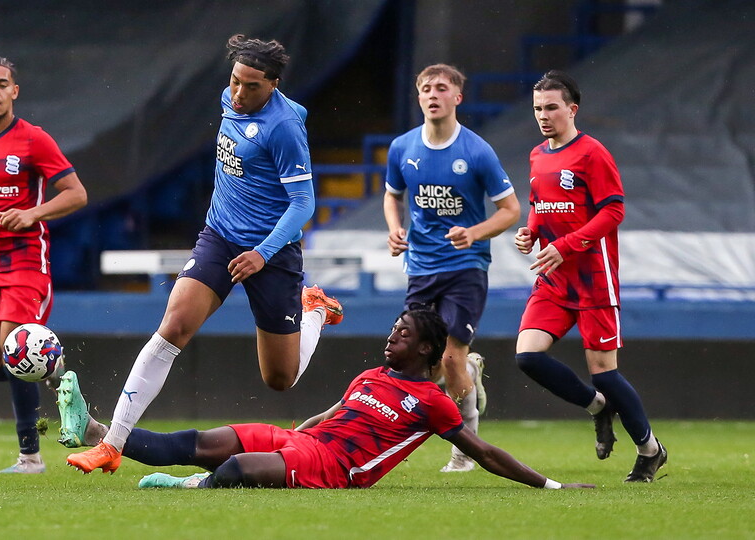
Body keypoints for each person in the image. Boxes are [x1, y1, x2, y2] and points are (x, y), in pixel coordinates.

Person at [61, 34, 342, 474]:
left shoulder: (284, 127)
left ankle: (314, 311)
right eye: (234, 81)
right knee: (173, 325)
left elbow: (304, 203)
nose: (238, 93)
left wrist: (262, 254)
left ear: (273, 84)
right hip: (219, 235)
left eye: (252, 86)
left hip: (271, 252)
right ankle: (112, 443)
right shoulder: (229, 99)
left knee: (279, 379)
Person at [70, 309, 593, 490]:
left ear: (428, 348)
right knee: (199, 440)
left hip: (334, 466)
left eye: (403, 333)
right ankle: (97, 432)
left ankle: (186, 488)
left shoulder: (433, 401)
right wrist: (306, 425)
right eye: (394, 328)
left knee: (236, 469)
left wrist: (549, 483)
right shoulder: (370, 374)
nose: (392, 336)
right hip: (304, 439)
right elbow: (336, 412)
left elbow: (483, 452)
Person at [513, 70, 667, 482]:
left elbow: (613, 211)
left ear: (572, 109)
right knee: (527, 356)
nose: (543, 116)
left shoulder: (592, 153)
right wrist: (530, 231)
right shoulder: (537, 155)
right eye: (537, 109)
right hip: (553, 280)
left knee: (605, 371)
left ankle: (650, 450)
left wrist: (564, 246)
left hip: (593, 279)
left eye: (551, 108)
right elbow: (539, 204)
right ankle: (598, 407)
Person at [0, 56, 88, 474]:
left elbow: (77, 194)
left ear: (14, 92)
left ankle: (30, 456)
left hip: (25, 261)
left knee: (14, 352)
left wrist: (33, 213)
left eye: (1, 84)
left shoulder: (33, 140)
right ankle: (53, 366)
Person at [383, 64, 520, 472]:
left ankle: (465, 450)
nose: (432, 94)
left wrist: (474, 233)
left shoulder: (476, 151)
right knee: (418, 361)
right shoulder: (402, 148)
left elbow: (510, 210)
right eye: (425, 88)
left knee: (452, 357)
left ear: (457, 97)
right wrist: (395, 229)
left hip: (466, 267)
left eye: (441, 88)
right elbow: (392, 196)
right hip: (420, 268)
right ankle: (468, 381)